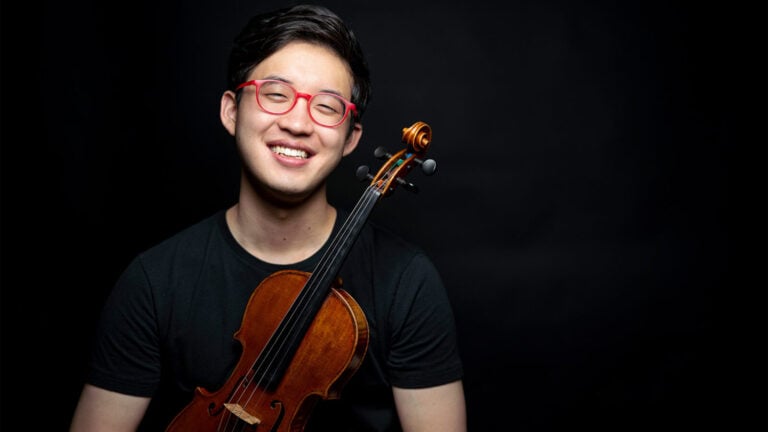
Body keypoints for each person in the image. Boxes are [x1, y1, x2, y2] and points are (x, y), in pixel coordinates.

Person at [69, 4, 466, 432]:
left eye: (327, 106)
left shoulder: (406, 283)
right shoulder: (153, 282)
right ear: (231, 111)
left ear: (351, 138)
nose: (297, 123)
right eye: (276, 95)